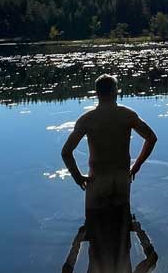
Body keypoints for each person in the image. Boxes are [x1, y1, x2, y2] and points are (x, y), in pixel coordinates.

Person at [60, 74, 157, 211]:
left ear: (97, 93)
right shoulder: (127, 115)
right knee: (122, 221)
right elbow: (151, 138)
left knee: (93, 222)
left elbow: (66, 152)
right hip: (122, 178)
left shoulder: (87, 119)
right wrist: (137, 165)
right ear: (115, 91)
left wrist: (77, 177)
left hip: (98, 179)